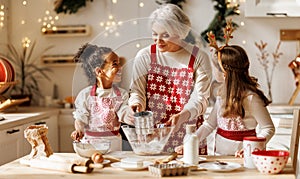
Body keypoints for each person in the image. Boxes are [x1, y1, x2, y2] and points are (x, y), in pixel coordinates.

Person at [128, 4, 212, 153]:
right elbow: (136, 90)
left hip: (189, 134)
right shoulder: (145, 56)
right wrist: (136, 103)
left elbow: (201, 99)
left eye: (165, 35)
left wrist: (183, 115)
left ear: (180, 33)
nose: (158, 40)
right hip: (152, 135)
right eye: (155, 34)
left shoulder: (199, 57)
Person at [175, 41, 275, 155]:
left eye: (216, 68)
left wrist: (253, 147)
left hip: (245, 158)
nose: (213, 71)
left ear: (225, 73)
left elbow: (268, 128)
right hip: (221, 159)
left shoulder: (250, 97)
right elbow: (209, 125)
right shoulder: (221, 94)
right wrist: (189, 144)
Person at [70, 43, 130, 152]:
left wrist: (135, 117)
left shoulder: (122, 94)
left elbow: (124, 113)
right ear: (99, 71)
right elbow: (80, 119)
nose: (120, 68)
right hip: (90, 146)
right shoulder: (85, 95)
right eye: (115, 64)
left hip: (114, 145)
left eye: (119, 64)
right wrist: (78, 130)